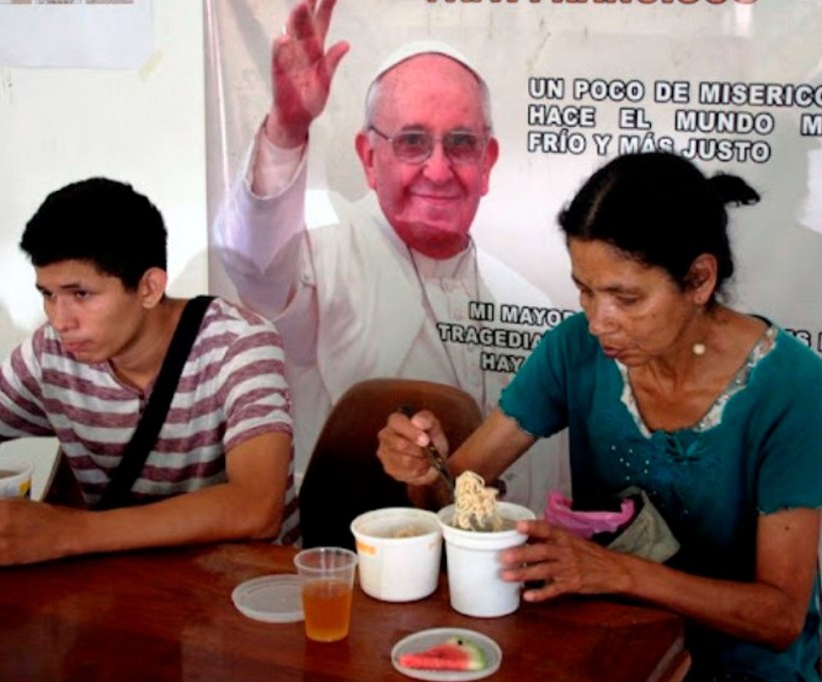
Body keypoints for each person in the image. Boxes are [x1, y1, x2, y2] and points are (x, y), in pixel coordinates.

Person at [377, 151, 822, 680]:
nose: (598, 322)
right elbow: (456, 490)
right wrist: (426, 468)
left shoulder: (791, 393)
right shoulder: (575, 350)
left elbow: (778, 616)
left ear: (700, 279)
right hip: (609, 650)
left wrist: (613, 571)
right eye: (585, 291)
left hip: (737, 668)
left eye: (626, 298)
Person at [212, 0, 568, 511]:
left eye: (462, 143)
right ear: (368, 158)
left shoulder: (529, 305)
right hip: (356, 562)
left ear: (487, 162)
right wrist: (286, 131)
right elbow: (251, 263)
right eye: (413, 142)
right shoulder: (323, 263)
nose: (439, 170)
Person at [0, 178, 298, 568]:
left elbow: (255, 507)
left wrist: (66, 532)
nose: (60, 320)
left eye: (81, 295)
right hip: (122, 592)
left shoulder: (240, 344)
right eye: (47, 294)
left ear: (148, 288)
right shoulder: (51, 354)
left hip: (244, 591)